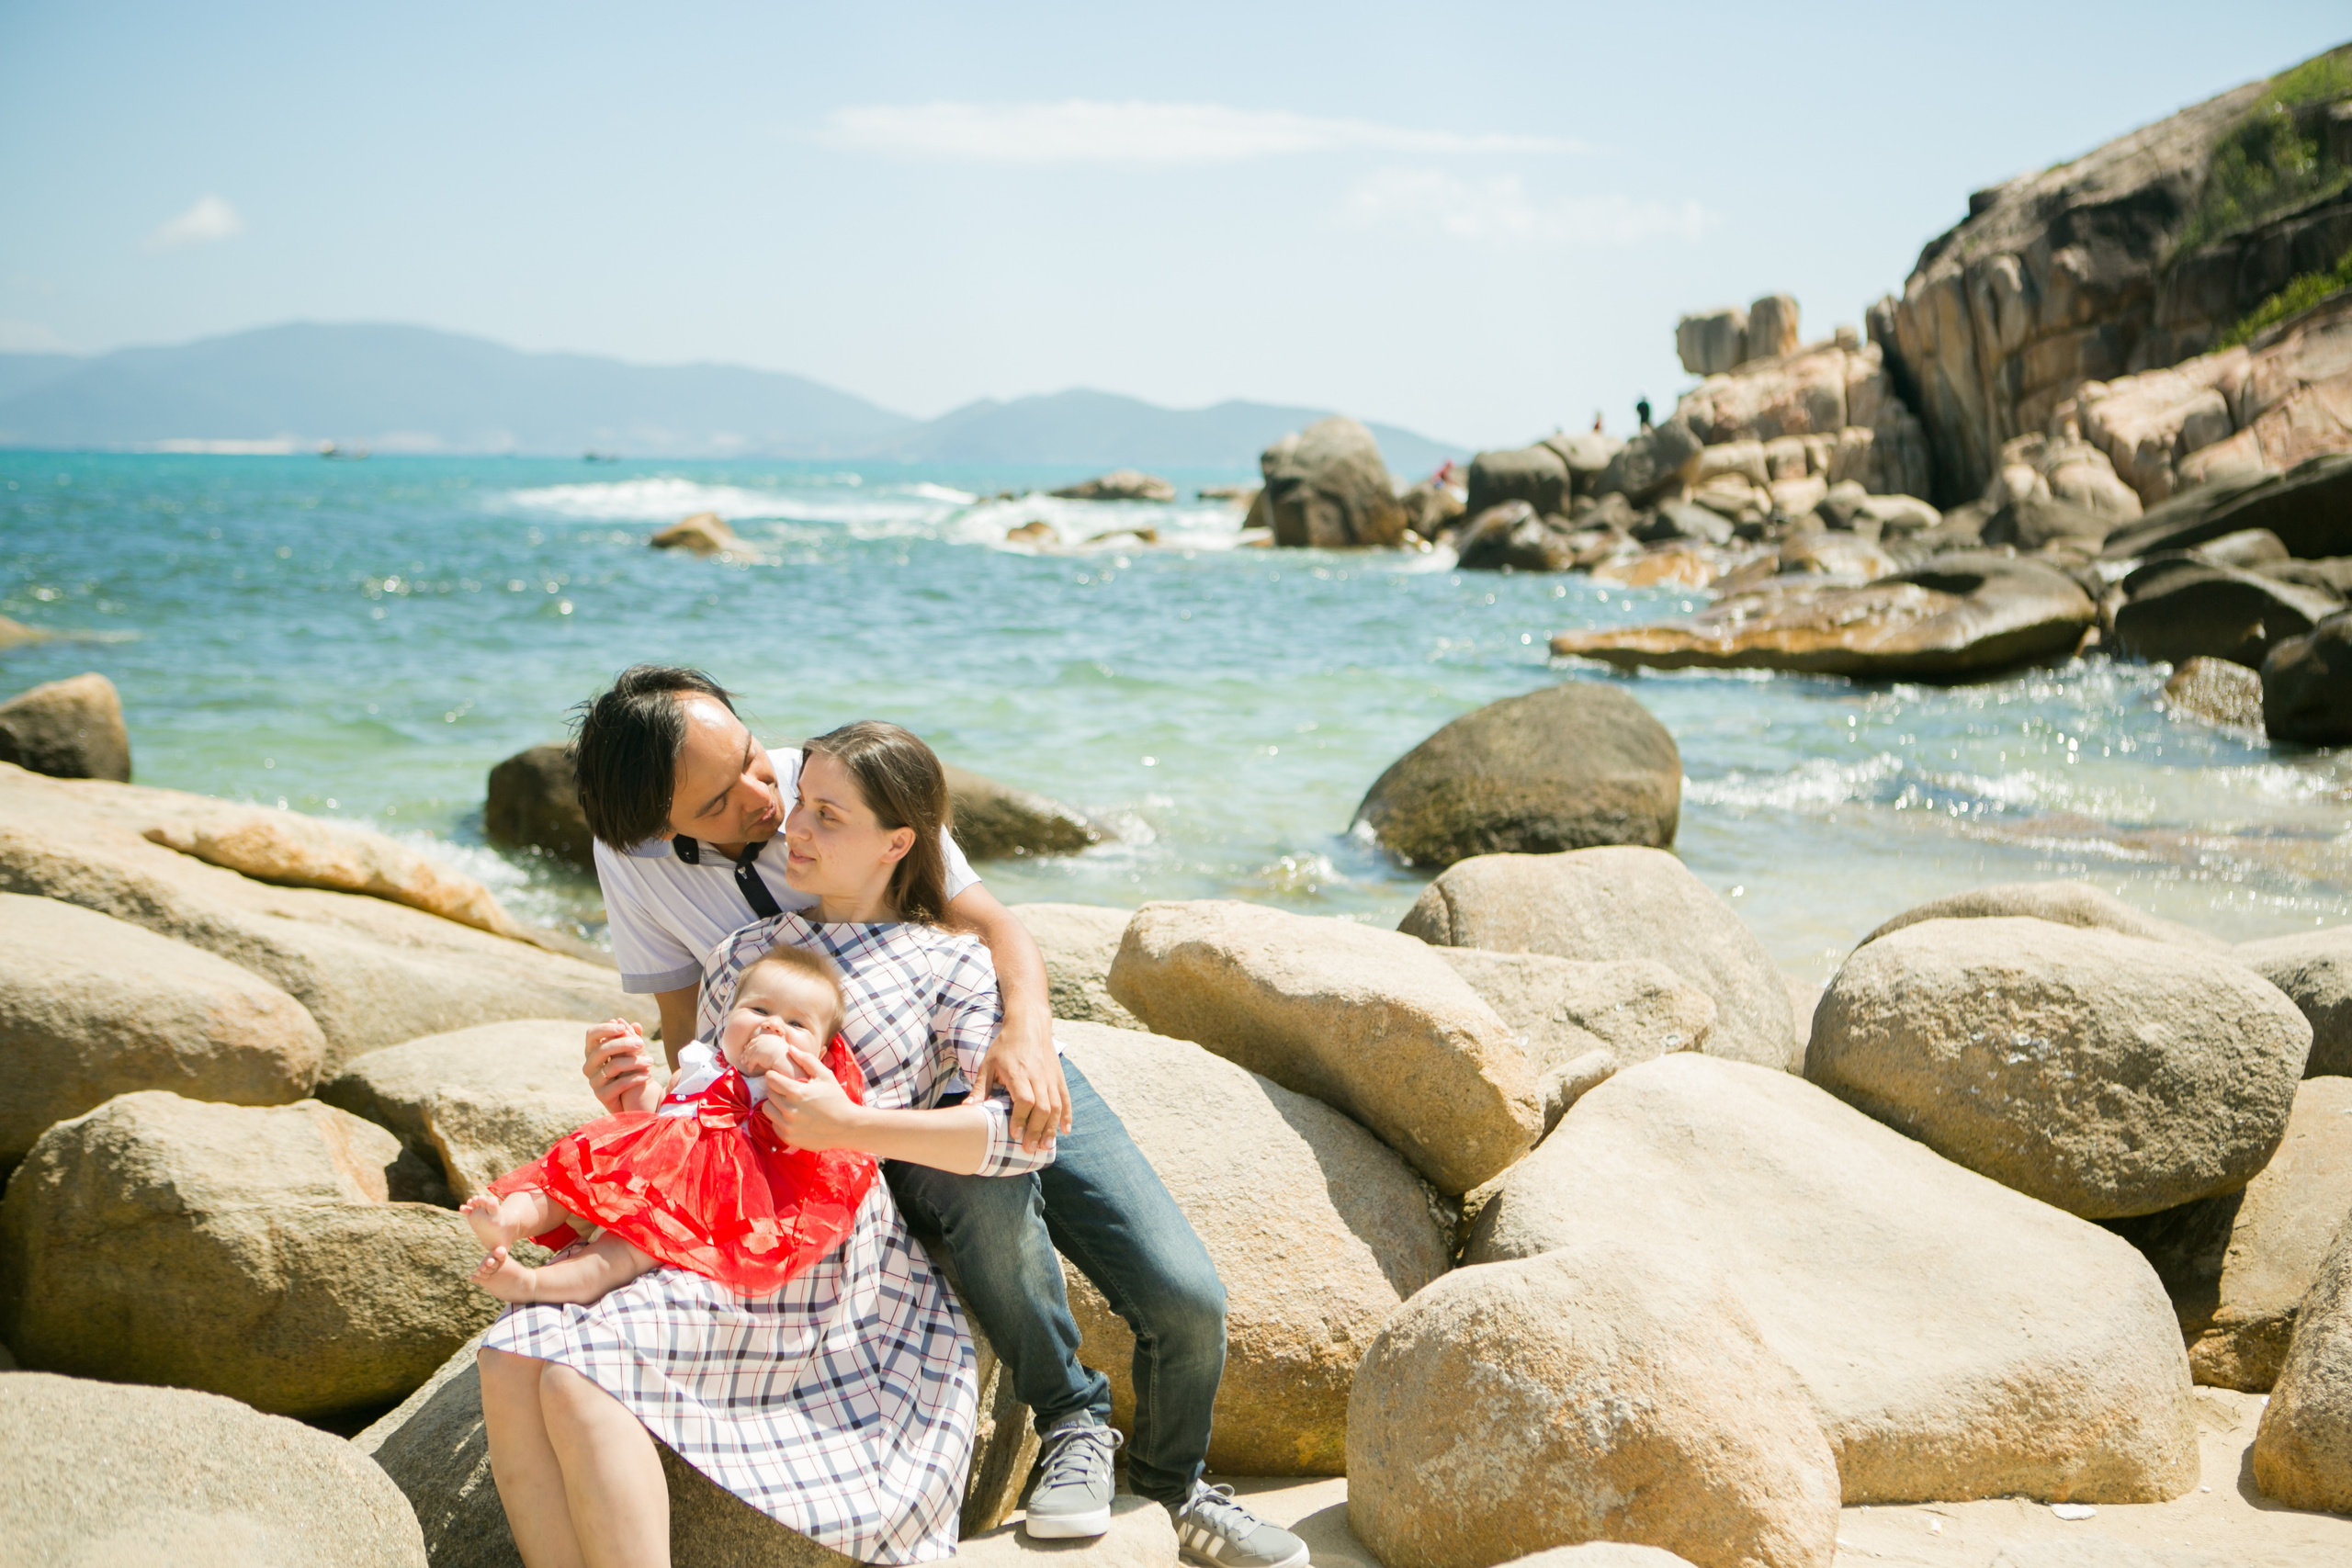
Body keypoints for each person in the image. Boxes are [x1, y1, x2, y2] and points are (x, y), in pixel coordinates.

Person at [571, 676, 1308, 1568]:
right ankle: (1076, 1419)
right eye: (725, 800)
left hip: (975, 1059)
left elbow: (991, 928)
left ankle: (1172, 1485)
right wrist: (653, 1108)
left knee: (1185, 1293)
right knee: (979, 1187)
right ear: (665, 826)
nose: (771, 804)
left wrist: (1025, 1035)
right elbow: (696, 1050)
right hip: (857, 1128)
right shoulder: (657, 877)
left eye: (757, 761)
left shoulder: (841, 783)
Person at [476, 724, 1057, 1567]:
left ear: (900, 842)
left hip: (810, 1240)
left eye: (827, 814)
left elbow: (1015, 1143)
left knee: (581, 1373)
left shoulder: (951, 965)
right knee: (508, 1353)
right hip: (702, 1216)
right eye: (801, 806)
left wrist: (848, 1127)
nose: (796, 829)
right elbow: (706, 1100)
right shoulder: (742, 954)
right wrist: (635, 1097)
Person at [460, 943, 877, 1305]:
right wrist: (637, 1078)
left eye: (796, 1024)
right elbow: (658, 1114)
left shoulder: (781, 1089)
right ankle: (507, 1221)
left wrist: (778, 1055)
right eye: (759, 1010)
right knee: (561, 1182)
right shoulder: (699, 1065)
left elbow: (803, 1089)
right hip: (644, 1169)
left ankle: (533, 1283)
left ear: (820, 1053)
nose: (772, 1025)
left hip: (696, 1199)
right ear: (728, 1016)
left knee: (621, 1253)